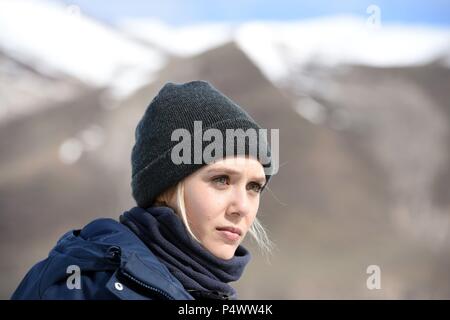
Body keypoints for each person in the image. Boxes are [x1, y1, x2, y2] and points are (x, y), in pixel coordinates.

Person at [11, 80, 274, 300]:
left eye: (254, 187)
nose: (242, 207)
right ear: (164, 186)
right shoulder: (82, 288)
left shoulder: (204, 292)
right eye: (222, 180)